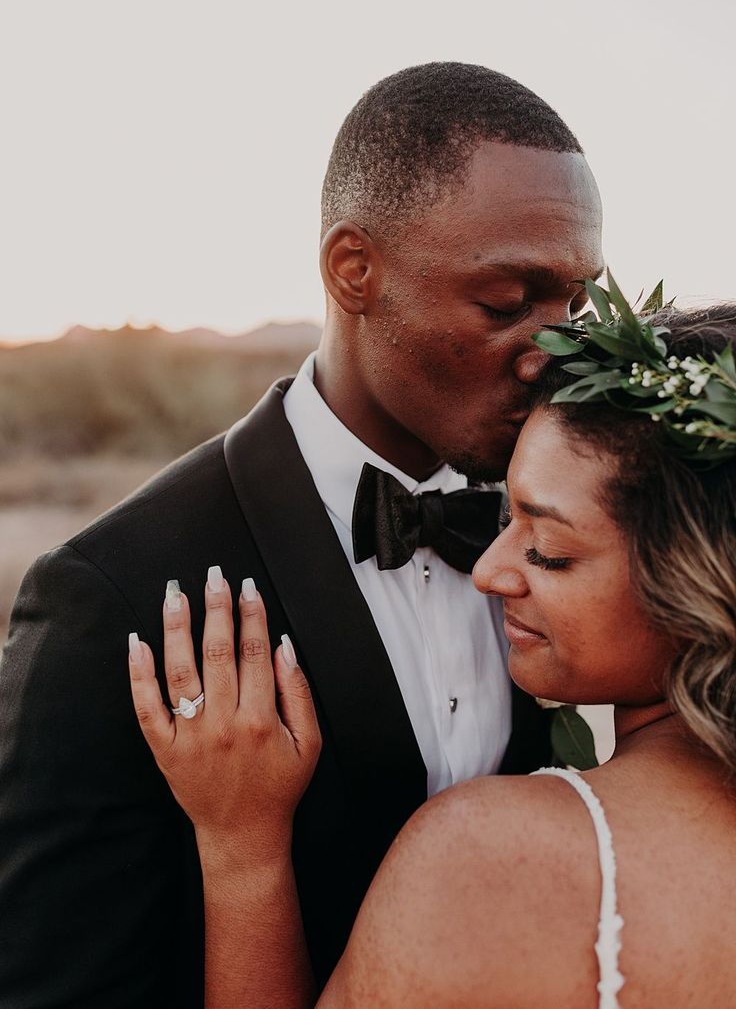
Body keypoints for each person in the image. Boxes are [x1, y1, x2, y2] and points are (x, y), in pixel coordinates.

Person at [0, 62, 603, 1007]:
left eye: (576, 301)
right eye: (506, 302)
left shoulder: (577, 540)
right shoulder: (109, 594)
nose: (555, 348)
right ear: (353, 269)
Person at [129, 291, 736, 1008]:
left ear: (698, 582)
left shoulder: (488, 864)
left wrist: (244, 853)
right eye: (505, 513)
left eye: (548, 550)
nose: (485, 571)